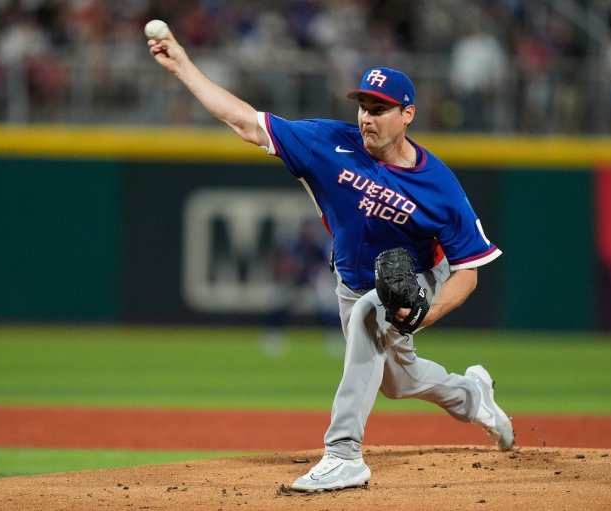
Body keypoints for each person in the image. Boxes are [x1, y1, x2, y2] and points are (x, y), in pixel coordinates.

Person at [147, 28, 514, 493]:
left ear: (408, 115)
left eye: (380, 109)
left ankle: (343, 454)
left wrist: (427, 312)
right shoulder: (326, 144)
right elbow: (244, 121)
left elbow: (469, 271)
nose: (367, 118)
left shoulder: (438, 185)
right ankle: (472, 395)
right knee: (397, 381)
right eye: (363, 106)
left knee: (370, 315)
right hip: (351, 279)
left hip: (415, 279)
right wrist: (182, 65)